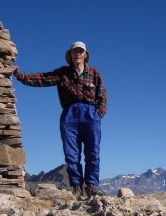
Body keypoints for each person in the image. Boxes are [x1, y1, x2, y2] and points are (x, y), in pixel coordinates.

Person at [12, 41, 107, 198]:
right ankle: (76, 187)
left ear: (85, 55)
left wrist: (98, 114)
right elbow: (42, 78)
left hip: (90, 114)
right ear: (70, 55)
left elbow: (102, 96)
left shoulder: (94, 73)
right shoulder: (62, 73)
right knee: (71, 154)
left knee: (93, 152)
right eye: (74, 51)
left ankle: (91, 186)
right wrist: (19, 76)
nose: (77, 54)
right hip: (69, 115)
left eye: (80, 51)